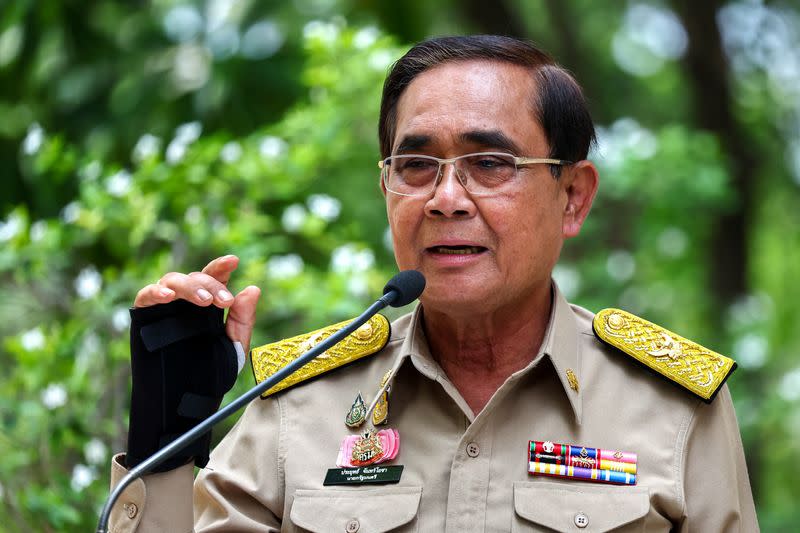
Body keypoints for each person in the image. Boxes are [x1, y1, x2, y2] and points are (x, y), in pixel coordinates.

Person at [109, 35, 758, 532]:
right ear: (386, 187)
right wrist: (168, 435)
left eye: (489, 162)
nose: (447, 197)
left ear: (572, 197)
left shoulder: (674, 409)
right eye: (416, 164)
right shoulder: (298, 404)